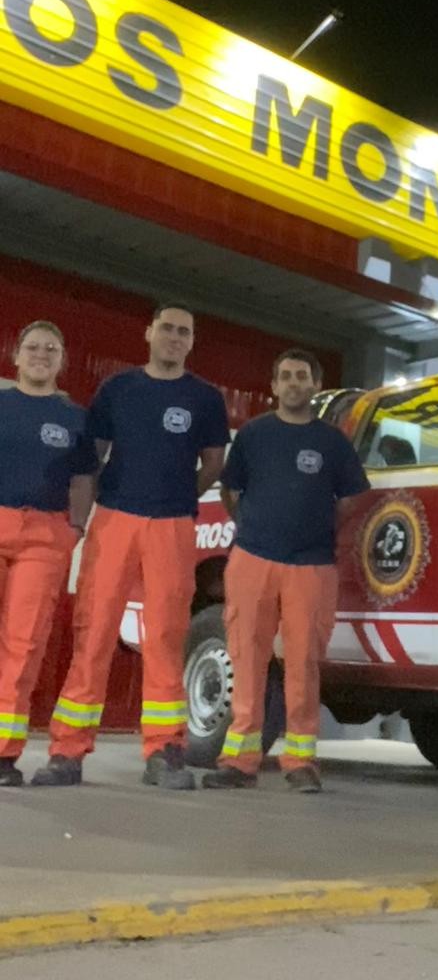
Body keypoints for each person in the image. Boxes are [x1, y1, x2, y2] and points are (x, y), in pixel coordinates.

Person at [33, 304, 230, 790]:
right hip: (116, 519)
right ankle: (67, 752)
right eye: (167, 328)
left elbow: (214, 462)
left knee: (165, 636)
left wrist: (181, 495)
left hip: (172, 525)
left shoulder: (205, 398)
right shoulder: (117, 389)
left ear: (191, 341)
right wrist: (103, 499)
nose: (174, 337)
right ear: (149, 333)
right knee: (94, 630)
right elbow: (91, 457)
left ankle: (165, 751)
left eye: (184, 331)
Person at [202, 348, 369, 794]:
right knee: (247, 657)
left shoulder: (333, 443)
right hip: (253, 560)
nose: (294, 383)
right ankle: (239, 760)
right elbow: (230, 490)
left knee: (303, 663)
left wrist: (314, 529)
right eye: (286, 377)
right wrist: (255, 529)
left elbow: (351, 499)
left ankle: (300, 761)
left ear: (315, 386)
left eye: (303, 377)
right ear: (274, 386)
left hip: (311, 567)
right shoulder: (254, 434)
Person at [0, 322, 97, 787]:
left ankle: (3, 753)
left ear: (62, 361)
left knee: (23, 645)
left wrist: (73, 529)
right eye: (33, 347)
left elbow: (83, 480)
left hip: (45, 533)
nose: (41, 355)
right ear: (16, 356)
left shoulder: (76, 418)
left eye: (51, 349)